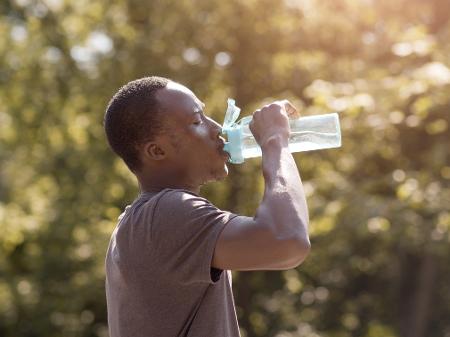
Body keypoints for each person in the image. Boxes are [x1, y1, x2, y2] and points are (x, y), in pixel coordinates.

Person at [103, 76, 310, 337]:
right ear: (156, 151)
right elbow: (287, 241)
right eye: (197, 121)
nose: (216, 129)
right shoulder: (166, 213)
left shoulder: (138, 222)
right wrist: (275, 141)